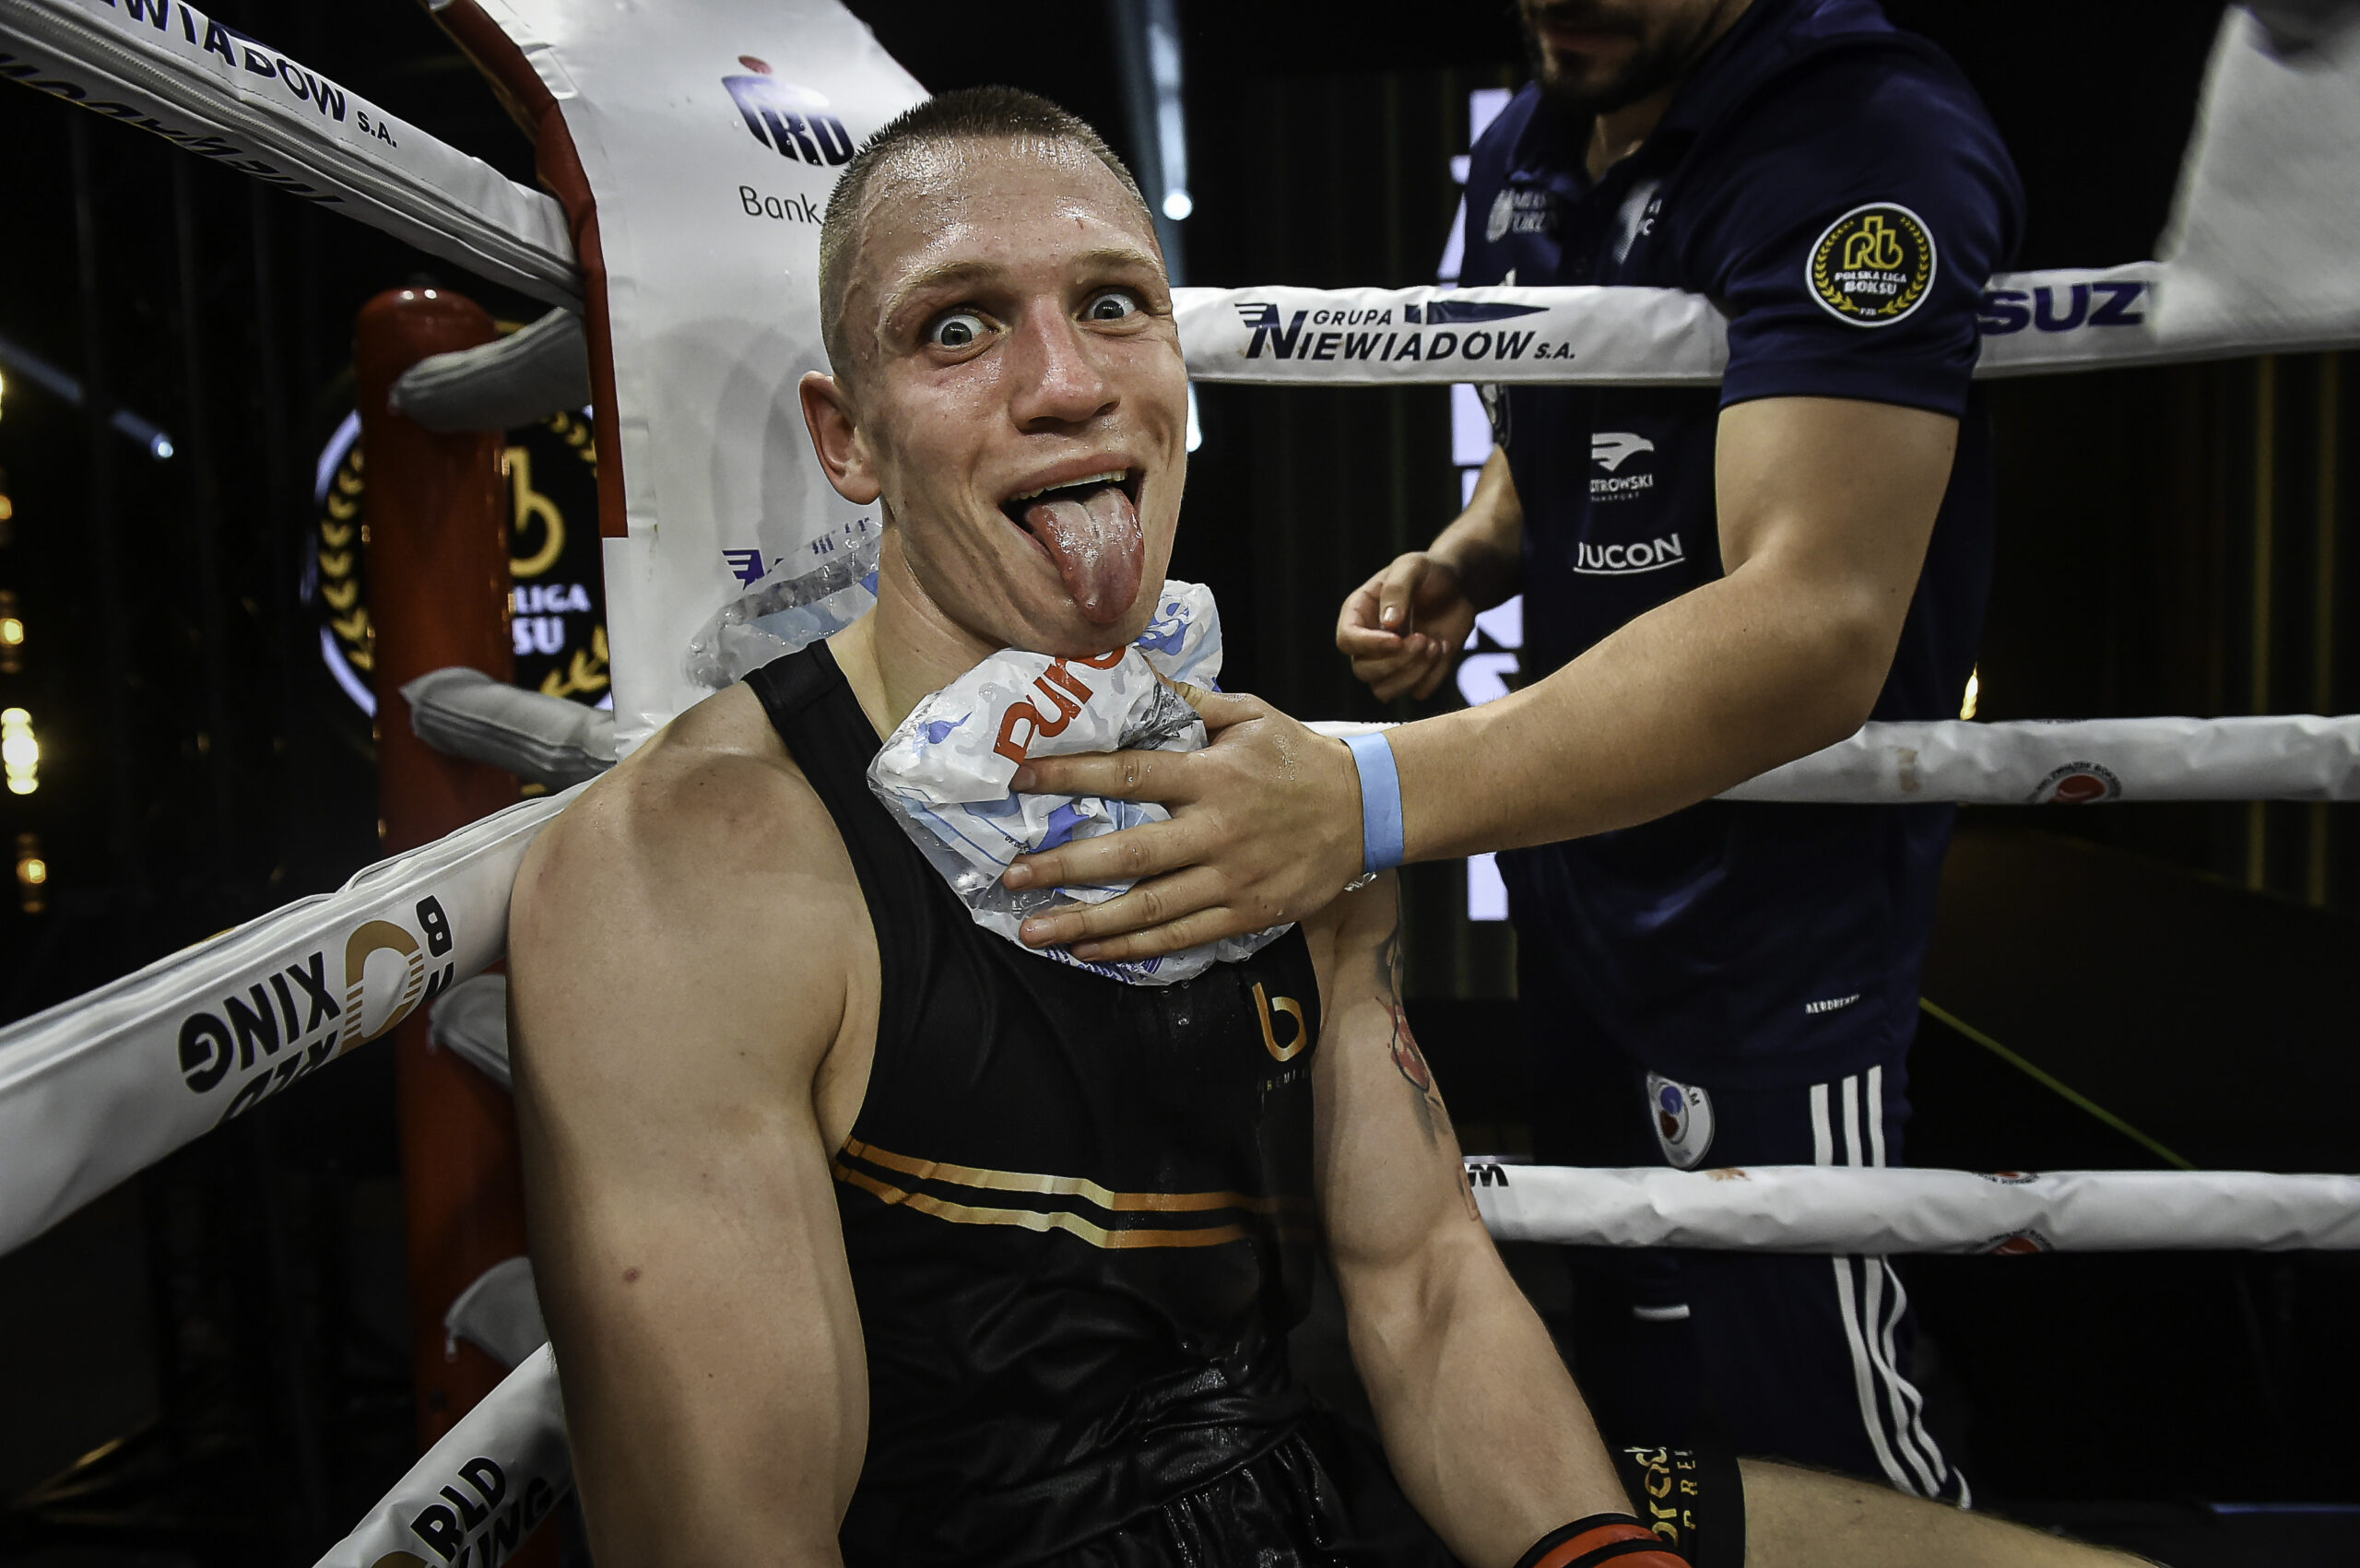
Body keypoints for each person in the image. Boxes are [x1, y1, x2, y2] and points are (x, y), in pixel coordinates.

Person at [507, 87, 2136, 1568]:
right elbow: (735, 1540)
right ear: (847, 437)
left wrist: (1593, 1556)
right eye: (959, 329)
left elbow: (1422, 1285)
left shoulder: (1277, 794)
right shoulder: (697, 866)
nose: (1066, 382)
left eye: (1112, 305)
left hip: (1327, 1499)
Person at [997, 0, 2019, 1502]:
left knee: (1817, 1419)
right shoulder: (1541, 131)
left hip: (1778, 909)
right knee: (1630, 1394)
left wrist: (1367, 792)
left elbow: (1817, 619)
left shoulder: (1861, 136)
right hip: (1581, 880)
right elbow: (1554, 439)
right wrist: (1471, 557)